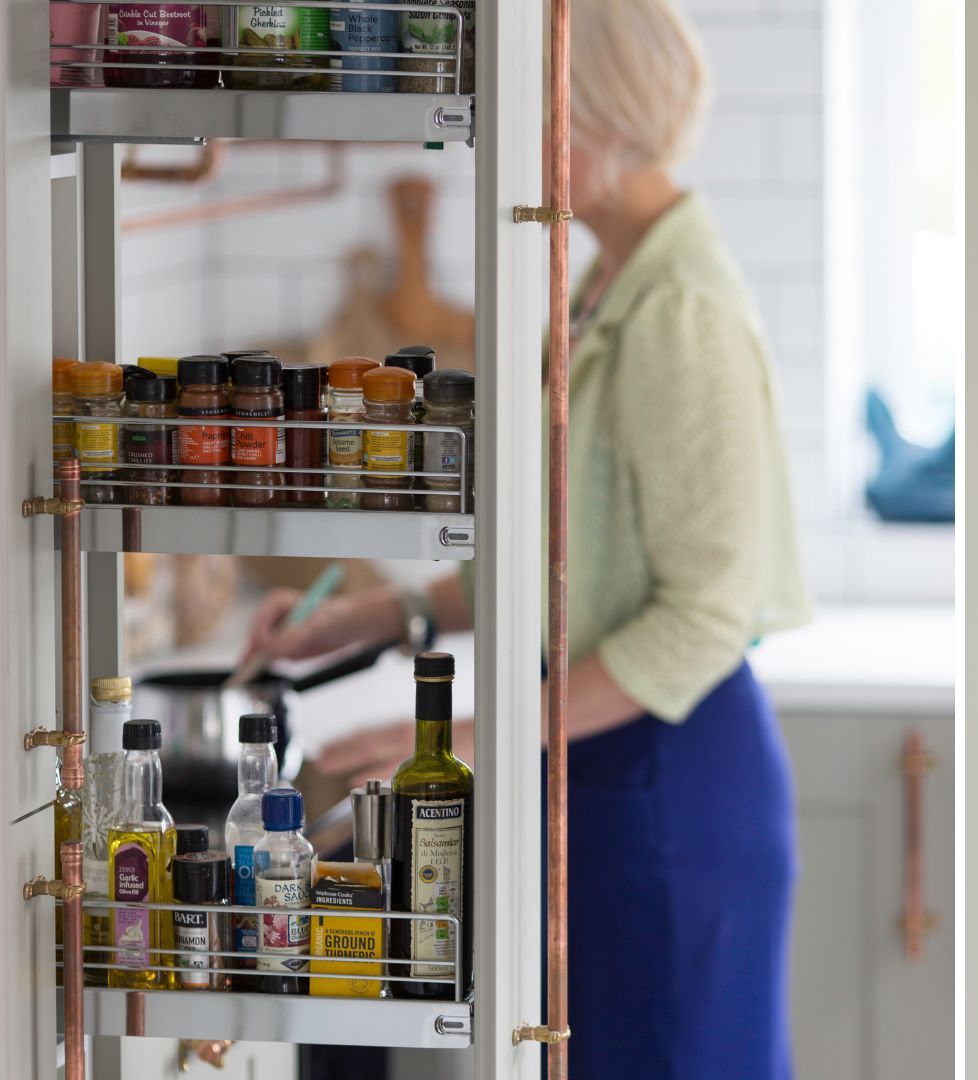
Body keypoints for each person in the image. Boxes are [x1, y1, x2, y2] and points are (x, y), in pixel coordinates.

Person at [240, 0, 812, 1074]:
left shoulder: (678, 311)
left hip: (667, 783)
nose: (513, 140)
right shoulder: (606, 283)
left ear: (604, 116)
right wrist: (374, 617)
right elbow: (571, 566)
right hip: (598, 764)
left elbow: (699, 619)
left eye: (533, 107)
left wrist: (468, 738)